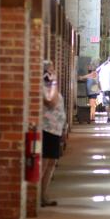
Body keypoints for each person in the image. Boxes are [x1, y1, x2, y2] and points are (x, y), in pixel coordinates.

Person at [41, 60, 65, 207]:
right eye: (51, 70)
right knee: (44, 163)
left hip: (54, 128)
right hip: (47, 129)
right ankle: (39, 195)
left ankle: (43, 194)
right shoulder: (43, 86)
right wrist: (54, 83)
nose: (53, 72)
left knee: (50, 163)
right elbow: (51, 102)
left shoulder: (48, 85)